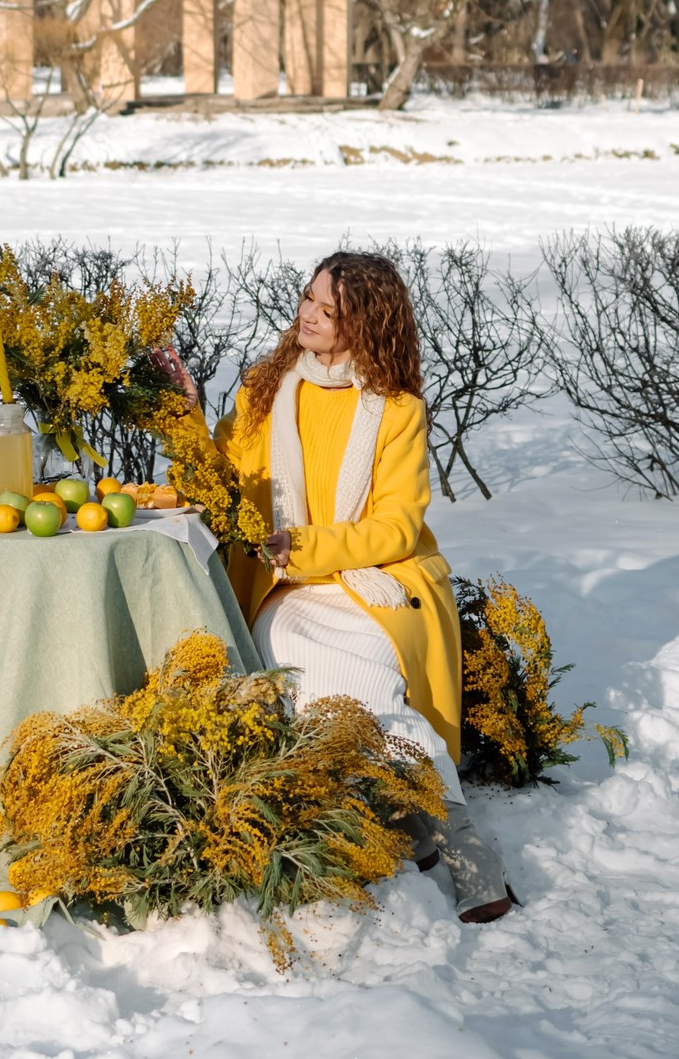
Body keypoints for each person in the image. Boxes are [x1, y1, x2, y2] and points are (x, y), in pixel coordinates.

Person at [162, 250, 513, 924]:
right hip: (285, 591)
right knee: (315, 673)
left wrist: (306, 546)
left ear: (368, 324)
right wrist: (184, 418)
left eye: (331, 310)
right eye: (308, 299)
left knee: (368, 681)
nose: (311, 317)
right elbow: (221, 485)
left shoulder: (397, 409)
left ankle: (454, 838)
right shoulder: (263, 389)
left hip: (375, 584)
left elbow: (396, 527)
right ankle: (409, 819)